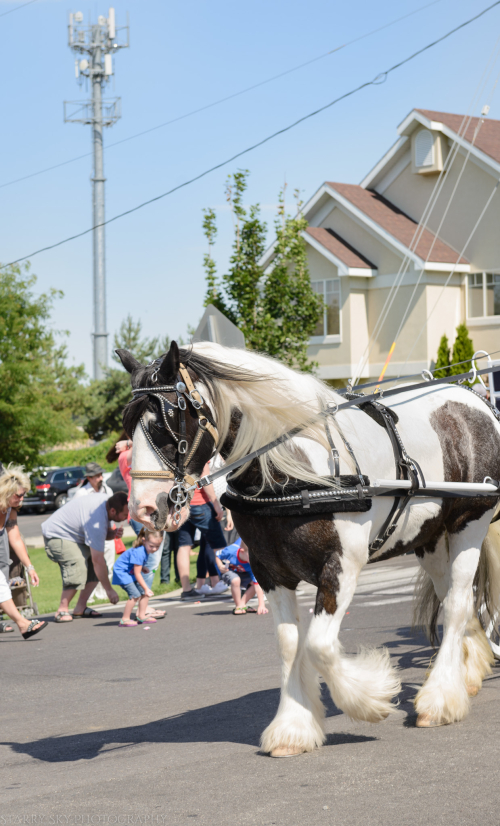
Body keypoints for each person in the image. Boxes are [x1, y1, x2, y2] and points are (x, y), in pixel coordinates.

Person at [42, 491, 128, 622]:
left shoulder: (108, 503)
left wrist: (114, 533)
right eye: (125, 514)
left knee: (97, 569)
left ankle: (80, 608)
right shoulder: (96, 518)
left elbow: (103, 535)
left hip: (75, 536)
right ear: (113, 511)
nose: (126, 518)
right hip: (57, 534)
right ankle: (62, 610)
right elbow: (97, 559)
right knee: (78, 565)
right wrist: (109, 590)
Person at [0, 465, 47, 639]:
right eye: (18, 495)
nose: (21, 499)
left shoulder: (10, 510)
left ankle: (22, 624)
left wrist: (30, 567)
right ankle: (23, 624)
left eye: (23, 494)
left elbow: (15, 538)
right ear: (6, 492)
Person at [177, 461, 229, 600]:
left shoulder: (177, 453)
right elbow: (205, 480)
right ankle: (234, 579)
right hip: (200, 503)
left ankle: (186, 589)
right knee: (219, 544)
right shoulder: (199, 452)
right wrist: (216, 504)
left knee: (184, 546)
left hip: (181, 504)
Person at [73, 462, 115, 602]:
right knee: (89, 565)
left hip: (106, 531)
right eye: (97, 476)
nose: (100, 478)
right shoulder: (81, 493)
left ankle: (103, 593)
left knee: (108, 562)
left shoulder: (107, 490)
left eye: (101, 475)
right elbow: (75, 513)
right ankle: (88, 596)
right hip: (89, 535)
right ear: (89, 478)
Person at [112, 528, 163, 627]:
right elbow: (137, 573)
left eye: (158, 546)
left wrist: (142, 567)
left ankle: (141, 616)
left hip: (129, 572)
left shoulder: (145, 550)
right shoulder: (140, 552)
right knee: (135, 595)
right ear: (144, 540)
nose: (154, 549)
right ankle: (125, 619)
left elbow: (135, 565)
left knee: (145, 593)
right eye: (152, 546)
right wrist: (146, 588)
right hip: (122, 573)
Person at [216, 539, 268, 616]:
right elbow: (217, 555)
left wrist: (261, 605)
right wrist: (220, 566)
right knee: (236, 580)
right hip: (228, 571)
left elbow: (257, 585)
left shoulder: (251, 564)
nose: (254, 559)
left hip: (243, 573)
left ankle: (242, 604)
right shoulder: (231, 551)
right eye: (251, 556)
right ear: (242, 551)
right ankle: (238, 606)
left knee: (256, 583)